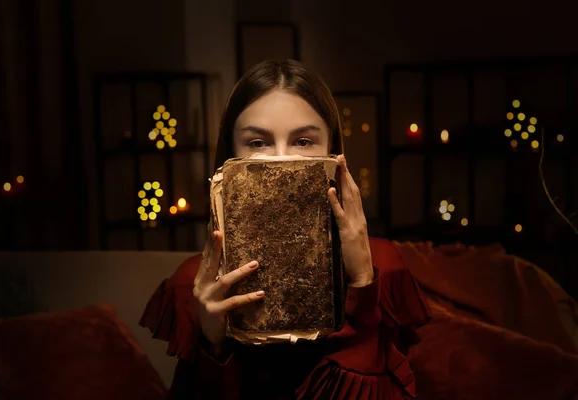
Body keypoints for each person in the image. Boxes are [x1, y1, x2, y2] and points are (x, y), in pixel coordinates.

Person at [139, 59, 431, 399]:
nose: (281, 159)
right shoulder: (196, 283)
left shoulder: (384, 264)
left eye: (303, 141)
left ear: (333, 151)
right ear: (230, 153)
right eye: (258, 143)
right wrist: (213, 344)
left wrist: (363, 286)